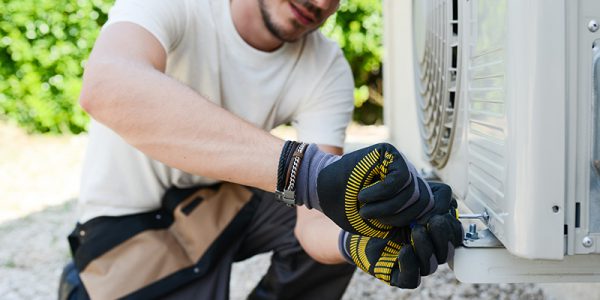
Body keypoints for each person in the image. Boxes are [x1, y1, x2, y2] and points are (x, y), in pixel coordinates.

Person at [58, 0, 463, 299]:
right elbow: (106, 87)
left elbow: (314, 218)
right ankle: (83, 284)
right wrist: (306, 171)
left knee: (352, 210)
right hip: (127, 225)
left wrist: (357, 243)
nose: (321, 3)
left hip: (220, 205)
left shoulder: (325, 66)